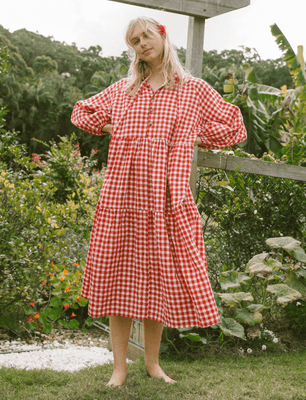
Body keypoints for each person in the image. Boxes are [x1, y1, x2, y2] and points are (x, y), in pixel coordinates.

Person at [71, 17, 247, 386]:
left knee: (157, 285)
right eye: (134, 41)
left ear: (162, 35)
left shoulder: (193, 91)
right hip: (121, 201)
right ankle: (119, 369)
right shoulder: (124, 90)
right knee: (118, 284)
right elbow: (81, 111)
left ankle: (152, 364)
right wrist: (108, 127)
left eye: (145, 36)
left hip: (165, 202)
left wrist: (196, 135)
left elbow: (234, 126)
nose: (141, 44)